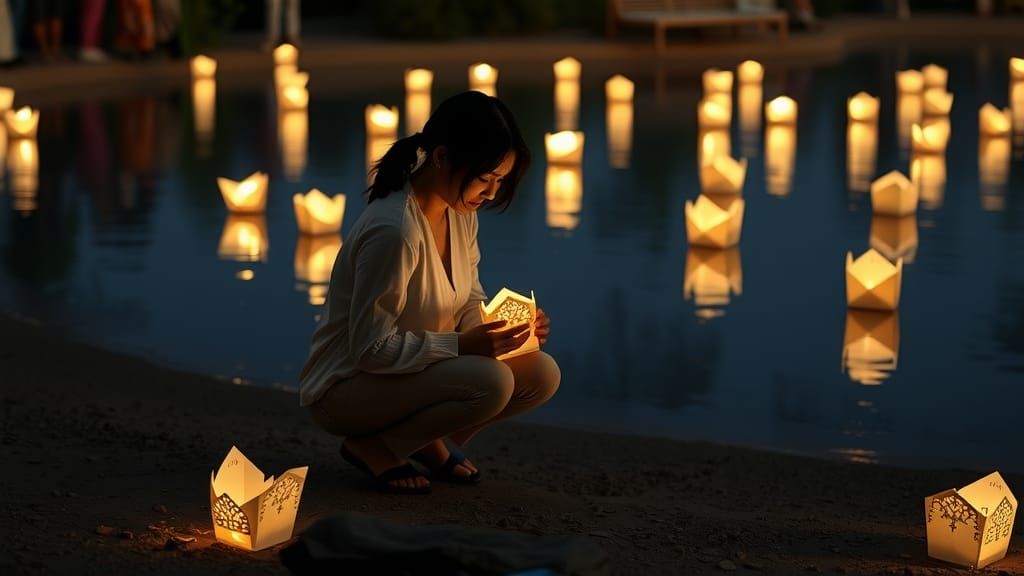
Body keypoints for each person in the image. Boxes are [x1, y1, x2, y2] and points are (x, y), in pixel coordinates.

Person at [299, 91, 561, 495]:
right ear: (441, 157)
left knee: (542, 373)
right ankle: (379, 447)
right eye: (485, 178)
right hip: (348, 387)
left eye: (500, 181)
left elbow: (469, 295)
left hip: (413, 372)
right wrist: (464, 346)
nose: (491, 193)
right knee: (492, 382)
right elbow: (369, 349)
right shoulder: (395, 232)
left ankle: (427, 444)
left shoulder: (459, 212)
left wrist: (501, 330)